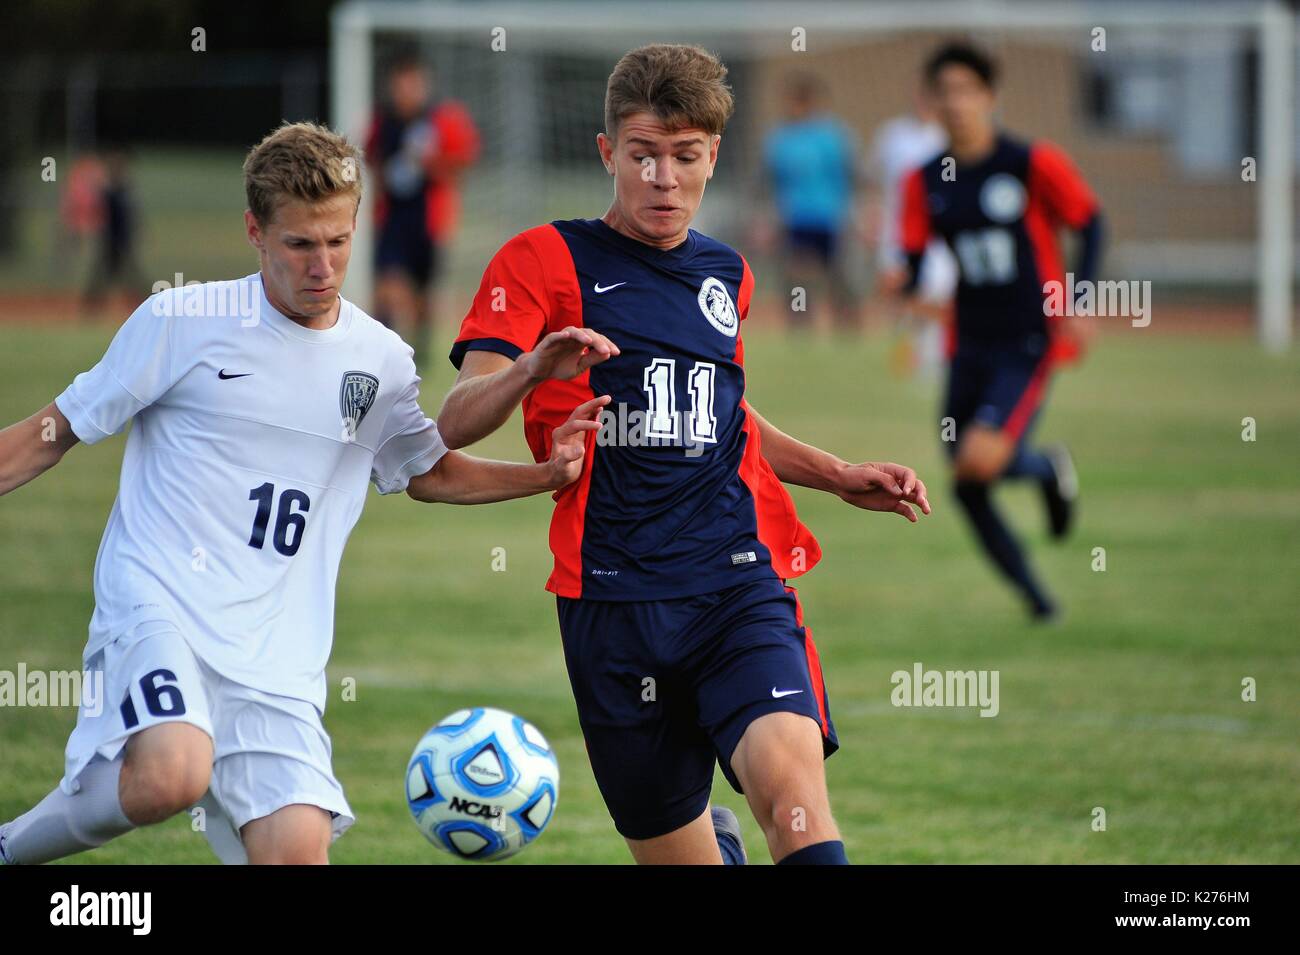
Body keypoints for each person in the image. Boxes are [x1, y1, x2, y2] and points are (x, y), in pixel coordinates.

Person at [0, 121, 603, 865]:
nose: (323, 266)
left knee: (295, 855)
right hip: (160, 607)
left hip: (278, 659)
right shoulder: (181, 322)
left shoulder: (378, 359)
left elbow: (427, 471)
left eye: (338, 241)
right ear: (255, 231)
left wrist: (545, 476)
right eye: (299, 244)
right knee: (172, 773)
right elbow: (51, 431)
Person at [437, 44, 930, 865]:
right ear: (607, 153)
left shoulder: (726, 273)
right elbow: (453, 420)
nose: (664, 178)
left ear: (713, 158)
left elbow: (725, 415)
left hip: (734, 580)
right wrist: (531, 369)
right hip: (612, 603)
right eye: (643, 156)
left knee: (795, 798)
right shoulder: (542, 261)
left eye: (685, 157)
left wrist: (839, 474)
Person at [895, 42, 1104, 620]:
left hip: (1026, 339)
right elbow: (912, 260)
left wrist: (1080, 300)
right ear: (932, 102)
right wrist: (901, 281)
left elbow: (1090, 222)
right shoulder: (923, 181)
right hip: (968, 344)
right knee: (965, 483)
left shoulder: (1030, 162)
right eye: (946, 92)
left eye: (968, 90)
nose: (957, 103)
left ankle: (1045, 467)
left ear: (990, 96)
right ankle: (1039, 603)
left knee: (978, 464)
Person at [365, 54, 481, 368]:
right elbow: (370, 157)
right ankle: (381, 349)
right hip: (392, 218)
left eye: (413, 83)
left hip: (428, 221)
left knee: (423, 293)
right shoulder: (382, 120)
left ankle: (420, 351)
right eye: (401, 84)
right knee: (388, 285)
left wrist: (430, 165)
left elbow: (463, 162)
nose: (406, 91)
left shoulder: (442, 119)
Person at [761, 72, 862, 331]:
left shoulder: (833, 136)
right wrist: (766, 217)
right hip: (795, 216)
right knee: (796, 273)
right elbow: (770, 181)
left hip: (830, 215)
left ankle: (847, 323)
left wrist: (856, 211)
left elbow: (851, 175)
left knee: (837, 274)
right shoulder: (779, 139)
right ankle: (800, 324)